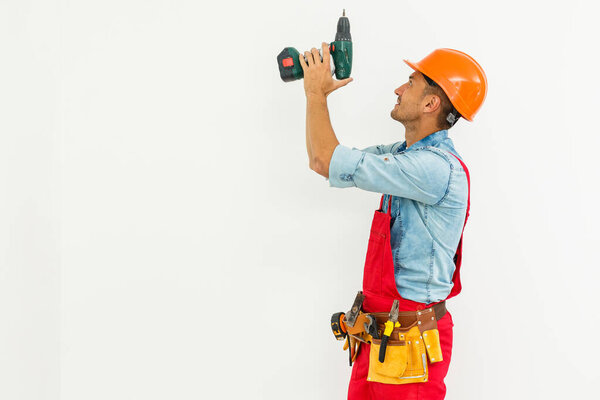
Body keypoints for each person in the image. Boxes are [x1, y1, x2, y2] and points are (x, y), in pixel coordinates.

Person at [299, 44, 487, 399]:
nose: (399, 89)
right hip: (379, 337)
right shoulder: (403, 157)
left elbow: (327, 159)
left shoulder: (435, 169)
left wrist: (315, 93)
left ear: (432, 104)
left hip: (410, 345)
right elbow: (323, 161)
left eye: (411, 82)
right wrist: (315, 98)